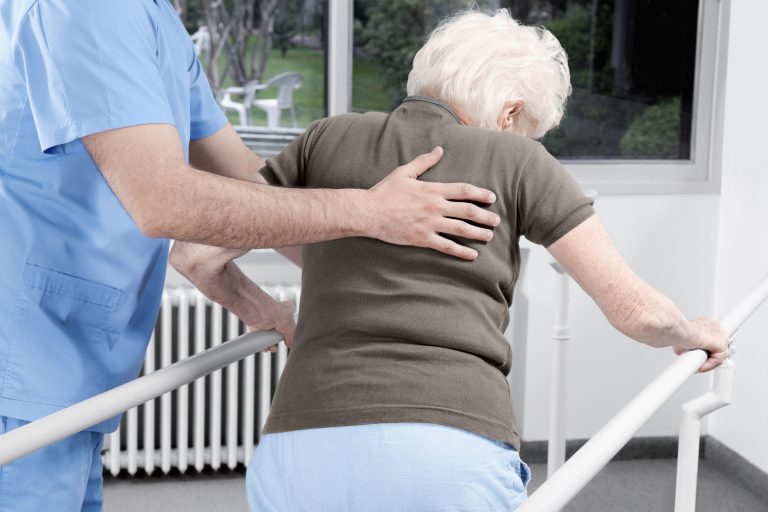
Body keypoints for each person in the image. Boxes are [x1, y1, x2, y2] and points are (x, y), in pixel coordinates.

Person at [174, 8, 731, 511]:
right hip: (448, 452)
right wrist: (691, 332)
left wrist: (268, 313)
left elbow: (196, 256)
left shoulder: (325, 138)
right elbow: (636, 311)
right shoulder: (519, 160)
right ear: (511, 113)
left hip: (297, 451)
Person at [0, 1, 500, 510]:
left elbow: (241, 175)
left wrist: (365, 281)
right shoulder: (92, 8)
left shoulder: (158, 22)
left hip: (72, 370)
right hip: (25, 353)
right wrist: (369, 211)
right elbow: (164, 200)